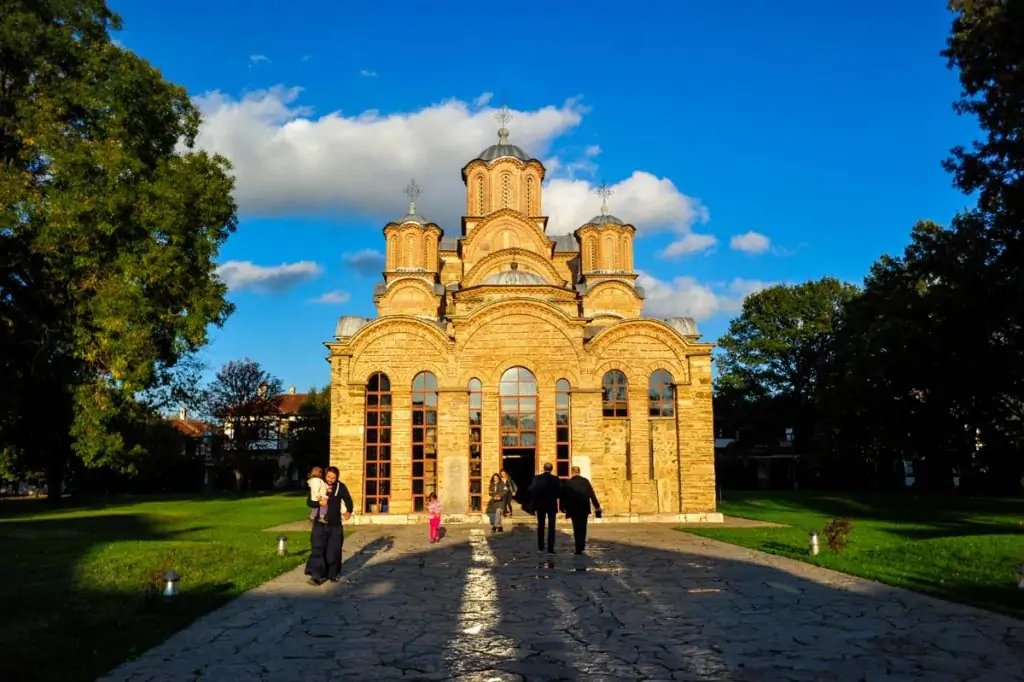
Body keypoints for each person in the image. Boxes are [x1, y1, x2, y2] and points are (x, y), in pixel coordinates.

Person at [304, 466, 353, 585]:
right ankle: (316, 575)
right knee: (317, 549)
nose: (330, 479)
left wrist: (348, 511)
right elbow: (309, 502)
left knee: (333, 551)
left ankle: (333, 574)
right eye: (328, 477)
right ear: (325, 475)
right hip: (320, 524)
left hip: (334, 525)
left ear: (337, 477)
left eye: (333, 478)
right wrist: (318, 503)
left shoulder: (340, 487)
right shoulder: (319, 484)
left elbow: (348, 500)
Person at [560, 465, 601, 555]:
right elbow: (592, 494)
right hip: (584, 508)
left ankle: (578, 547)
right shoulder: (585, 481)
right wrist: (597, 506)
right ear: (579, 472)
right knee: (583, 527)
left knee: (576, 527)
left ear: (572, 472)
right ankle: (581, 545)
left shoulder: (568, 483)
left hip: (573, 509)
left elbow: (563, 496)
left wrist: (562, 508)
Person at [527, 462, 561, 554]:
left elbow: (530, 490)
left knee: (541, 526)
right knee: (551, 527)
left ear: (543, 468)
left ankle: (541, 547)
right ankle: (551, 548)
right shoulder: (555, 479)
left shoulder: (537, 478)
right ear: (551, 469)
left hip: (540, 505)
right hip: (551, 505)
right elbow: (560, 492)